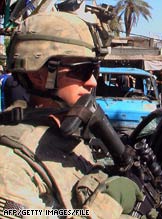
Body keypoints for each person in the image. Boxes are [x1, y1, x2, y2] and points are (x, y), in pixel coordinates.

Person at [0, 12, 142, 219]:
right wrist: (108, 204)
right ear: (38, 76)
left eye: (95, 70)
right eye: (82, 71)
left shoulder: (63, 135)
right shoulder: (10, 165)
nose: (92, 82)